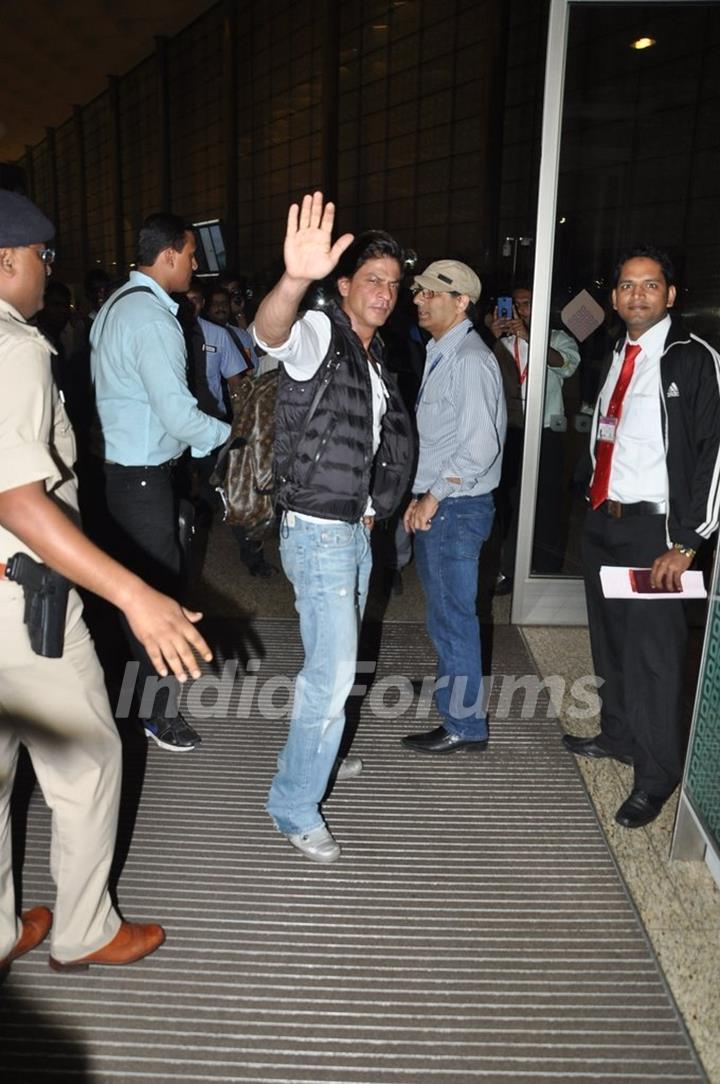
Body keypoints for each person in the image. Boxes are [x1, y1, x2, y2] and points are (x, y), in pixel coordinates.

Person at [0, 190, 213, 974]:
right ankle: (85, 929)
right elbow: (20, 500)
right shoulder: (14, 347)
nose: (49, 273)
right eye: (42, 258)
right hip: (22, 602)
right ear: (9, 260)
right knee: (88, 761)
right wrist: (134, 595)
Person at [252, 191, 413, 863]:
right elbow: (271, 333)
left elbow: (373, 442)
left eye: (394, 284)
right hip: (317, 530)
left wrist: (376, 506)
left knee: (333, 666)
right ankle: (293, 804)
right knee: (333, 668)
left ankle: (319, 755)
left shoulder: (375, 357)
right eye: (372, 279)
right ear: (344, 284)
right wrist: (294, 279)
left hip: (352, 528)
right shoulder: (321, 332)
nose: (384, 291)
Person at [563, 246, 720, 828]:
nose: (636, 295)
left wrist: (687, 543)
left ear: (671, 295)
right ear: (615, 296)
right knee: (611, 642)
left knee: (655, 656)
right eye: (627, 286)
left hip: (660, 532)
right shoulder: (616, 354)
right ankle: (619, 735)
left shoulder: (692, 360)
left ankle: (655, 777)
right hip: (607, 520)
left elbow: (714, 456)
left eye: (649, 286)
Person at [90, 214, 230, 752]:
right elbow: (178, 415)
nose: (196, 265)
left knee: (125, 595)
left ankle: (126, 700)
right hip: (144, 482)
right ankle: (156, 714)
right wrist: (230, 437)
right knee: (156, 601)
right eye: (191, 254)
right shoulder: (152, 319)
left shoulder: (116, 307)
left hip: (116, 476)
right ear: (169, 255)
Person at [401, 260, 506, 755]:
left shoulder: (467, 358)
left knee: (452, 617)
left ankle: (464, 724)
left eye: (430, 294)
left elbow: (480, 446)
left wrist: (433, 495)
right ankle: (455, 691)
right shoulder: (444, 351)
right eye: (417, 293)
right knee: (447, 615)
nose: (418, 300)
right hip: (447, 504)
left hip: (456, 508)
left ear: (461, 302)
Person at [486, 284, 580, 586]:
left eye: (526, 304)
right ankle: (507, 568)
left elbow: (566, 366)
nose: (519, 310)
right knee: (507, 501)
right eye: (514, 304)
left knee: (547, 502)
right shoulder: (498, 342)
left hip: (545, 433)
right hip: (508, 430)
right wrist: (492, 334)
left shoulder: (556, 338)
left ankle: (546, 568)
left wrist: (531, 337)